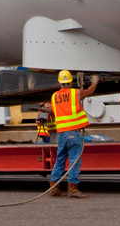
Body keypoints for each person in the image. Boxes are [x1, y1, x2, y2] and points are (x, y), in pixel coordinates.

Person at [49, 70, 100, 199]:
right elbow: (89, 91)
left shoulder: (54, 96)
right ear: (70, 82)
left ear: (60, 83)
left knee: (60, 160)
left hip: (62, 134)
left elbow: (55, 111)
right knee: (74, 161)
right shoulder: (75, 93)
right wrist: (94, 82)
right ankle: (72, 189)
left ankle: (54, 187)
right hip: (73, 132)